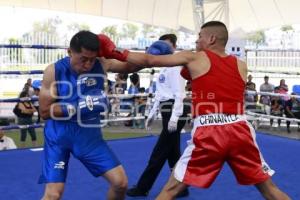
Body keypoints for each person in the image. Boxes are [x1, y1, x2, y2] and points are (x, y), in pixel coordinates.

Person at [104, 21, 290, 200]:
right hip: (240, 129)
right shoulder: (241, 64)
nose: (196, 41)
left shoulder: (195, 57)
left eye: (199, 36)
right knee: (270, 190)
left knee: (170, 190)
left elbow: (149, 59)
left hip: (210, 132)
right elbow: (217, 80)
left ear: (211, 39)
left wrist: (115, 51)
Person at [38, 30, 147, 200]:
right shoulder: (53, 71)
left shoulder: (102, 63)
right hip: (59, 136)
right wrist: (80, 105)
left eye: (92, 59)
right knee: (53, 194)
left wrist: (120, 53)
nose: (88, 64)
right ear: (70, 52)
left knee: (121, 184)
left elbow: (135, 66)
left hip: (89, 136)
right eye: (83, 59)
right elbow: (44, 112)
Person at [126, 34, 189, 197]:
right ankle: (181, 188)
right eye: (160, 44)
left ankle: (142, 187)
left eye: (166, 45)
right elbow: (160, 94)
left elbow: (179, 94)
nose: (162, 48)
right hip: (167, 108)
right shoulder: (163, 66)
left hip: (176, 109)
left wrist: (175, 117)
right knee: (172, 152)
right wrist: (152, 113)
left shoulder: (175, 66)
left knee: (159, 152)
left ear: (174, 47)